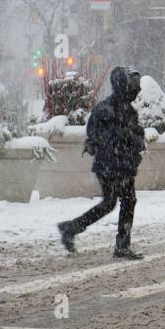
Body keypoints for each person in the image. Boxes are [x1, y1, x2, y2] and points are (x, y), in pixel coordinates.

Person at [58, 67, 146, 260]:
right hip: (112, 165)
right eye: (132, 87)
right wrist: (127, 137)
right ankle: (119, 245)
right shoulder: (108, 109)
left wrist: (135, 139)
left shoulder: (127, 111)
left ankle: (72, 228)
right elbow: (101, 136)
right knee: (120, 202)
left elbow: (135, 137)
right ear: (122, 86)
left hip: (120, 165)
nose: (136, 91)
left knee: (115, 202)